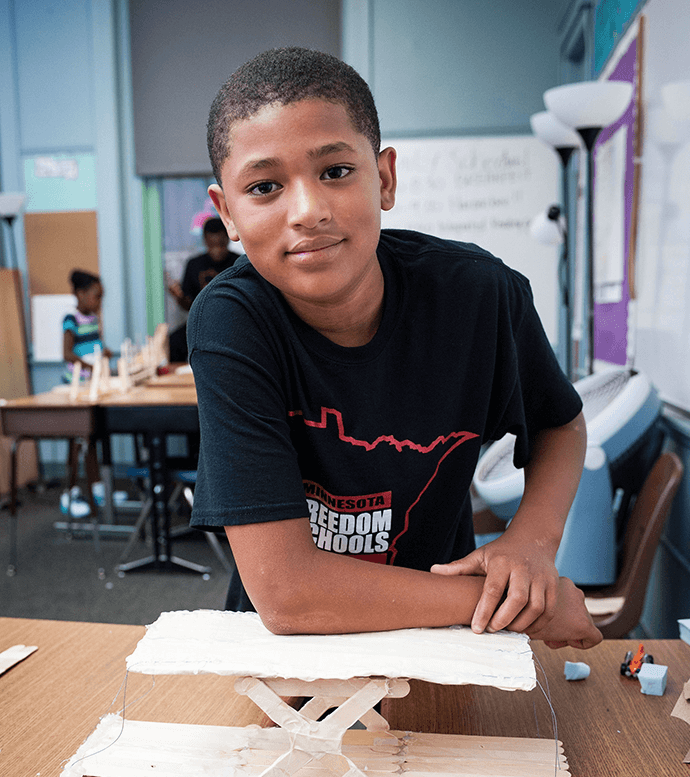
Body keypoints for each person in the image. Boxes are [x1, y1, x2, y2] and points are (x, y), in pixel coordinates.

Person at [187, 47, 601, 650]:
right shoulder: (232, 321)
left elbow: (560, 426)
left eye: (335, 172)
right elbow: (286, 593)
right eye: (265, 186)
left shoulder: (480, 296)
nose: (308, 211)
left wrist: (529, 545)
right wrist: (516, 607)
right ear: (227, 212)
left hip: (445, 644)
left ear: (384, 178)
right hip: (294, 653)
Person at [62, 269, 111, 515]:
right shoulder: (71, 319)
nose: (100, 302)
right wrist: (92, 365)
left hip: (93, 387)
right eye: (97, 296)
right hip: (77, 389)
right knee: (78, 441)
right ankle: (69, 494)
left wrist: (107, 353)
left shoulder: (93, 318)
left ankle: (97, 488)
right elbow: (67, 353)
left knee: (92, 438)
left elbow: (97, 345)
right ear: (80, 294)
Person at [167, 217, 240, 362]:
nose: (217, 250)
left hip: (233, 323)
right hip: (200, 323)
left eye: (220, 244)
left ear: (227, 239)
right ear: (205, 241)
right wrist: (179, 297)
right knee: (173, 341)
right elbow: (188, 306)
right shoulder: (194, 264)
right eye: (212, 245)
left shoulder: (238, 263)